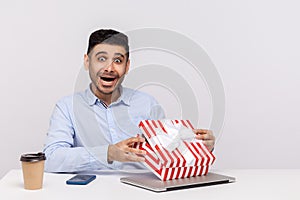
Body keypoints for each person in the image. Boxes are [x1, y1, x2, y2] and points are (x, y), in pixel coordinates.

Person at [43, 29, 215, 173]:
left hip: (144, 192)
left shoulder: (148, 105)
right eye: (101, 59)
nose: (109, 68)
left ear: (127, 66)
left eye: (118, 61)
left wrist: (199, 148)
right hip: (91, 192)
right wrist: (108, 153)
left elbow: (168, 154)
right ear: (87, 62)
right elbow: (51, 159)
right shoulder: (67, 107)